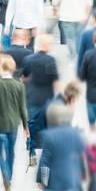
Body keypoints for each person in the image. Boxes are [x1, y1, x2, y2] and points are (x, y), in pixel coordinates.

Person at [0, 54, 28, 191]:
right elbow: (22, 108)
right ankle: (10, 178)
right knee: (11, 153)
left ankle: (6, 179)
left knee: (2, 152)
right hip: (14, 124)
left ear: (1, 68)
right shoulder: (19, 86)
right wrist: (26, 126)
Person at [22, 35, 60, 165]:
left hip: (33, 97)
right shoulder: (50, 60)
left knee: (32, 125)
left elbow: (24, 77)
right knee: (47, 127)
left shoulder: (28, 59)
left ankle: (31, 153)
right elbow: (55, 82)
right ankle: (45, 154)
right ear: (45, 45)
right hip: (47, 98)